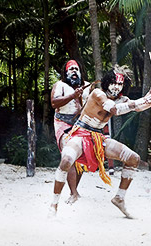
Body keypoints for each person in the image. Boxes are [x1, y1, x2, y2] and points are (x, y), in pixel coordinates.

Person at [50, 66, 151, 217]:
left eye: (120, 84)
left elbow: (138, 106)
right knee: (66, 160)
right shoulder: (98, 93)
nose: (116, 87)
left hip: (98, 138)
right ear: (106, 82)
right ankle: (54, 205)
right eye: (113, 82)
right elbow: (115, 109)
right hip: (80, 134)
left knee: (134, 159)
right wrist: (144, 100)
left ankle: (119, 198)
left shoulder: (122, 99)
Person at [50, 59, 91, 204]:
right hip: (63, 124)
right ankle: (73, 194)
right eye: (71, 69)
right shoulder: (60, 85)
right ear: (65, 72)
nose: (74, 71)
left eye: (76, 69)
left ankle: (75, 190)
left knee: (82, 159)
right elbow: (54, 103)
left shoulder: (87, 86)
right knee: (69, 156)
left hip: (82, 125)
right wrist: (73, 96)